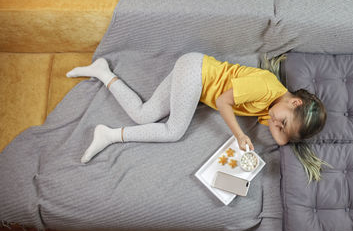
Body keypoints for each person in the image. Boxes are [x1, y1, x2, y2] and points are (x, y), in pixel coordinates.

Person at [66, 52, 329, 182]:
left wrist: (284, 135)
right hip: (196, 73)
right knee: (173, 131)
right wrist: (240, 135)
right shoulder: (266, 87)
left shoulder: (274, 110)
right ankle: (111, 136)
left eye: (282, 129)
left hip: (192, 72)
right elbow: (222, 101)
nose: (275, 126)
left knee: (143, 114)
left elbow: (282, 140)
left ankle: (102, 72)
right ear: (294, 101)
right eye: (282, 122)